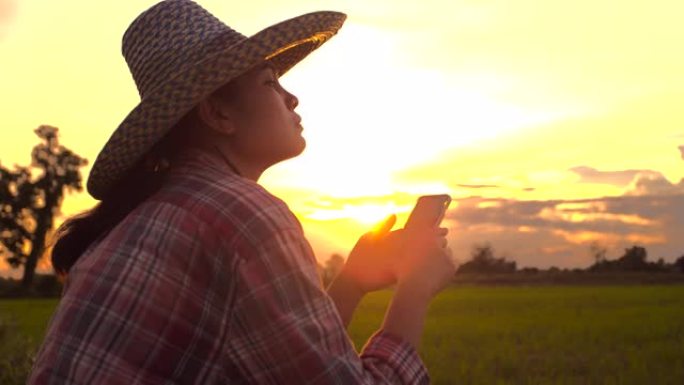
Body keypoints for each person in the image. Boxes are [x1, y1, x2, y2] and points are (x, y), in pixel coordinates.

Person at [28, 1, 456, 384]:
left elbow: (280, 362)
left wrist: (352, 281)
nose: (291, 97)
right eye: (270, 82)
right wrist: (415, 287)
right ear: (216, 113)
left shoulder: (142, 214)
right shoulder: (242, 214)